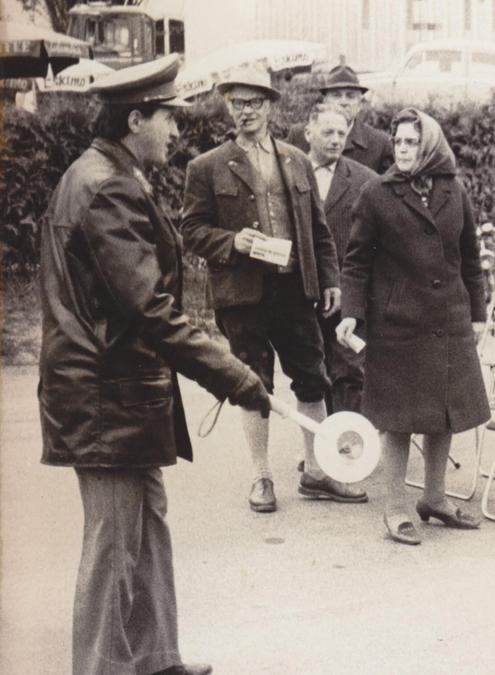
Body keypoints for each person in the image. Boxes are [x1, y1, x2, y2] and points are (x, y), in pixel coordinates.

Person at [38, 54, 271, 675]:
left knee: (146, 531)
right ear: (135, 118)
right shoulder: (105, 186)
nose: (177, 130)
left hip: (118, 395)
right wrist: (234, 374)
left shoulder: (109, 173)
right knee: (114, 547)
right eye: (167, 117)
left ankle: (153, 659)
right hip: (103, 398)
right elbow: (148, 308)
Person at [181, 64, 366, 512]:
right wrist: (231, 242)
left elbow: (319, 231)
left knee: (312, 377)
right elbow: (191, 231)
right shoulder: (205, 167)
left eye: (254, 103)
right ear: (228, 106)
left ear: (270, 106)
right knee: (253, 385)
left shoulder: (295, 159)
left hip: (294, 291)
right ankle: (261, 476)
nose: (245, 112)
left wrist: (330, 279)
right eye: (237, 103)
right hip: (242, 296)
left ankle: (319, 471)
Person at [336, 108, 490, 545]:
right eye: (398, 142)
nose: (402, 150)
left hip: (450, 320)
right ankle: (395, 507)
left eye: (411, 143)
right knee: (400, 420)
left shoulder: (453, 190)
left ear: (429, 147)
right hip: (399, 323)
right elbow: (357, 262)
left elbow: (471, 258)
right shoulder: (377, 194)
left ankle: (435, 499)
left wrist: (477, 314)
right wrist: (351, 313)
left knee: (442, 414)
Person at [306, 103, 375, 414]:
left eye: (341, 133)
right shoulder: (288, 173)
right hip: (301, 292)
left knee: (349, 369)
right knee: (309, 372)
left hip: (348, 291)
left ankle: (348, 446)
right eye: (327, 132)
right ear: (308, 133)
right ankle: (319, 444)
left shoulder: (365, 181)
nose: (335, 139)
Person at [288, 64, 393, 174]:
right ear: (325, 101)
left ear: (360, 104)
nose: (343, 102)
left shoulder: (379, 144)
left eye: (350, 96)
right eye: (336, 95)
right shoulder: (299, 136)